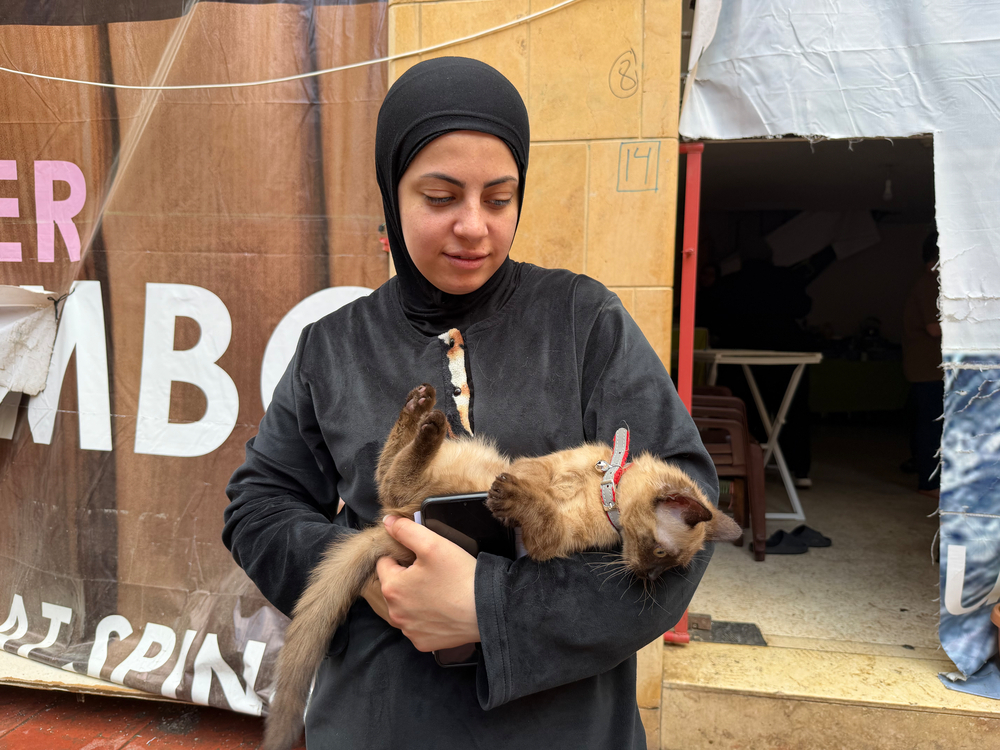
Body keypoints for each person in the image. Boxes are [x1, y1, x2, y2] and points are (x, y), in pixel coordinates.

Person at [223, 57, 718, 749]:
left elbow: (682, 530)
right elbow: (260, 505)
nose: (474, 227)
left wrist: (493, 609)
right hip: (382, 720)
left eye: (498, 197)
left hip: (564, 727)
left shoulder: (584, 322)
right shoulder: (332, 348)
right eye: (440, 196)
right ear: (392, 193)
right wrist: (365, 576)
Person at [902, 230, 943, 498]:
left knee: (930, 424)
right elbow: (934, 328)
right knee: (931, 426)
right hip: (928, 368)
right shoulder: (931, 283)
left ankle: (929, 479)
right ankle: (929, 483)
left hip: (927, 367)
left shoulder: (929, 282)